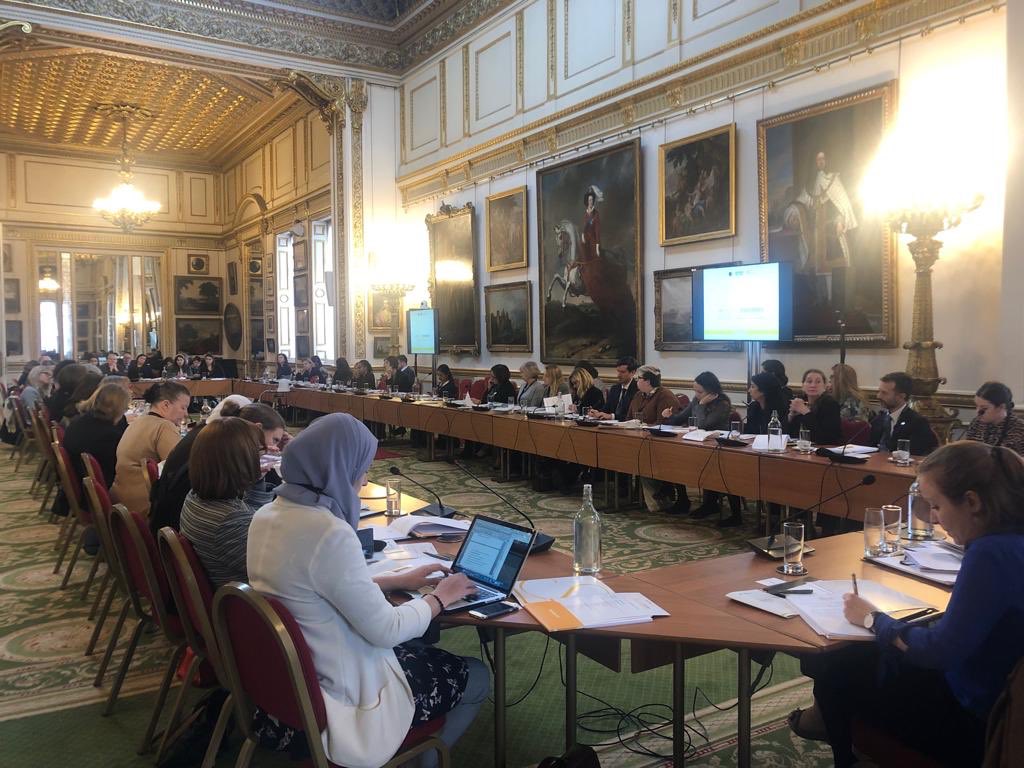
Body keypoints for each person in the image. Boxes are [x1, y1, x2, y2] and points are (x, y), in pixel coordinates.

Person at [246, 414, 489, 768]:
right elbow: (386, 630)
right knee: (477, 675)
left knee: (419, 649)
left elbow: (311, 591)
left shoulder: (267, 515)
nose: (363, 480)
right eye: (360, 469)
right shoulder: (327, 532)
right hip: (341, 697)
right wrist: (440, 598)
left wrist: (395, 581)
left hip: (289, 683)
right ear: (337, 469)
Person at [790, 441, 1024, 768]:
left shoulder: (990, 553)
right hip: (997, 691)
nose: (936, 520)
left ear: (972, 502)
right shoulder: (1011, 540)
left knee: (836, 672)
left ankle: (846, 755)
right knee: (864, 658)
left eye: (936, 506)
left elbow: (938, 651)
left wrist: (873, 618)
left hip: (974, 715)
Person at [149, 397, 287, 535]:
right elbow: (255, 528)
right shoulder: (229, 517)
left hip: (168, 523)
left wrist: (256, 478)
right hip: (179, 523)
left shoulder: (208, 441)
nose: (273, 448)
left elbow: (249, 517)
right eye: (274, 440)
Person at [179, 417, 266, 588]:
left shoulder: (195, 496)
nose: (260, 458)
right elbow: (276, 569)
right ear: (240, 462)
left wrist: (256, 480)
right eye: (258, 452)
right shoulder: (229, 522)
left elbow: (253, 520)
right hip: (243, 600)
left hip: (226, 590)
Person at [662, 371, 736, 521]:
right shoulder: (696, 400)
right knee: (675, 459)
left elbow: (703, 425)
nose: (696, 395)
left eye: (700, 392)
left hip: (717, 447)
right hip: (697, 443)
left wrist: (702, 405)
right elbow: (680, 418)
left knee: (709, 466)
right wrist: (669, 416)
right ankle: (682, 499)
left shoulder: (723, 403)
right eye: (695, 391)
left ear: (711, 391)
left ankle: (710, 504)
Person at [111, 380, 189, 516]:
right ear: (166, 405)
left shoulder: (138, 421)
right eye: (183, 407)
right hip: (144, 507)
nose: (186, 414)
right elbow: (180, 470)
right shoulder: (164, 426)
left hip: (121, 502)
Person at [630, 366, 683, 513]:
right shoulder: (639, 395)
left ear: (647, 381)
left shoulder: (665, 396)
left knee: (644, 459)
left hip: (662, 443)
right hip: (639, 438)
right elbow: (629, 417)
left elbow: (665, 424)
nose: (636, 381)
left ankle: (660, 498)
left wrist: (645, 426)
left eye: (638, 379)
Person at [62, 382, 130, 490]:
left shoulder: (80, 421)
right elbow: (121, 467)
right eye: (125, 407)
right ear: (119, 408)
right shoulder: (109, 436)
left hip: (80, 481)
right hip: (97, 488)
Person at [868, 371, 938, 456]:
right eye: (879, 391)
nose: (878, 396)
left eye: (884, 393)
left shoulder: (917, 422)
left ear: (901, 396)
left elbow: (917, 454)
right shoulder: (878, 420)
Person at [964, 381, 1024, 455]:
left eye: (984, 408)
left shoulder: (1020, 429)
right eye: (976, 406)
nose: (978, 412)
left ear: (1001, 407)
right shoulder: (976, 423)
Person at [788, 368, 843, 445]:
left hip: (822, 449)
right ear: (803, 386)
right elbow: (784, 434)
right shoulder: (799, 401)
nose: (813, 385)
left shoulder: (830, 404)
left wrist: (806, 412)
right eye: (809, 381)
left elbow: (826, 438)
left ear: (824, 386)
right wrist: (790, 416)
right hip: (797, 448)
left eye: (818, 382)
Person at [592, 356, 639, 421]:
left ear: (633, 372)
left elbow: (632, 416)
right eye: (618, 371)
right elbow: (606, 410)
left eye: (622, 372)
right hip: (610, 425)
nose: (618, 375)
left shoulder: (638, 390)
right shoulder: (614, 389)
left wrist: (612, 416)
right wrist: (597, 413)